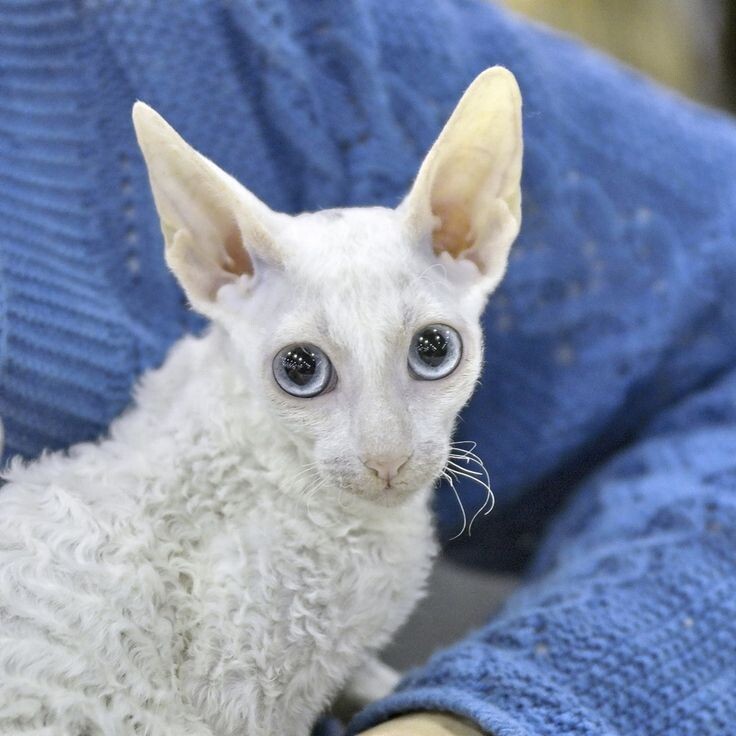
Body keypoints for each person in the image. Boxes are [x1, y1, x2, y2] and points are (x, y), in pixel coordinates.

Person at [1, 1, 735, 733]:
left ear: (473, 231)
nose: (387, 451)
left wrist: (480, 715)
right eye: (303, 370)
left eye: (432, 352)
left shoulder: (280, 35)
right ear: (215, 263)